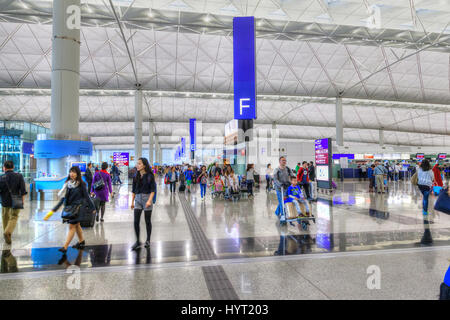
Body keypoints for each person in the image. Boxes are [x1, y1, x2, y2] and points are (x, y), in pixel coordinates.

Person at [44, 166, 95, 253]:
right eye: (71, 172)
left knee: (72, 226)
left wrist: (92, 207)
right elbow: (64, 198)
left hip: (78, 208)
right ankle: (81, 241)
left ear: (77, 174)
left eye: (74, 172)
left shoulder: (81, 184)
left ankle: (65, 246)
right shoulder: (68, 184)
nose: (72, 174)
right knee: (77, 225)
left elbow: (87, 196)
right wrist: (54, 209)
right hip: (71, 208)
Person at [131, 158, 156, 250]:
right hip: (137, 199)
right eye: (137, 163)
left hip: (147, 198)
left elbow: (153, 190)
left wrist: (149, 200)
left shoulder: (150, 176)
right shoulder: (135, 176)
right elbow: (133, 190)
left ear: (144, 165)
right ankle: (138, 241)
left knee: (147, 221)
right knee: (136, 221)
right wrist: (132, 201)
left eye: (139, 164)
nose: (137, 165)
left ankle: (148, 239)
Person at [0, 161, 27, 245]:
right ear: (13, 167)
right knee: (14, 216)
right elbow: (22, 190)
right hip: (17, 199)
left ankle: (7, 233)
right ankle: (7, 232)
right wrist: (23, 200)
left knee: (5, 217)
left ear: (4, 168)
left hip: (4, 200)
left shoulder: (1, 177)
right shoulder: (19, 176)